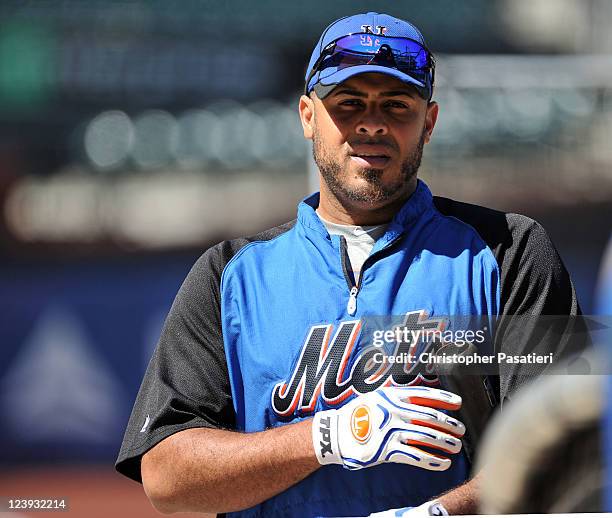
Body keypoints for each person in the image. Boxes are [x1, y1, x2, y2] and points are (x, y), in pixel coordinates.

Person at [115, 11, 582, 517]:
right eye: (348, 103)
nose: (372, 123)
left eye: (398, 105)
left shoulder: (507, 251)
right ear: (307, 116)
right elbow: (166, 478)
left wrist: (436, 514)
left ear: (429, 123)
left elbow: (562, 448)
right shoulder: (230, 276)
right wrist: (328, 436)